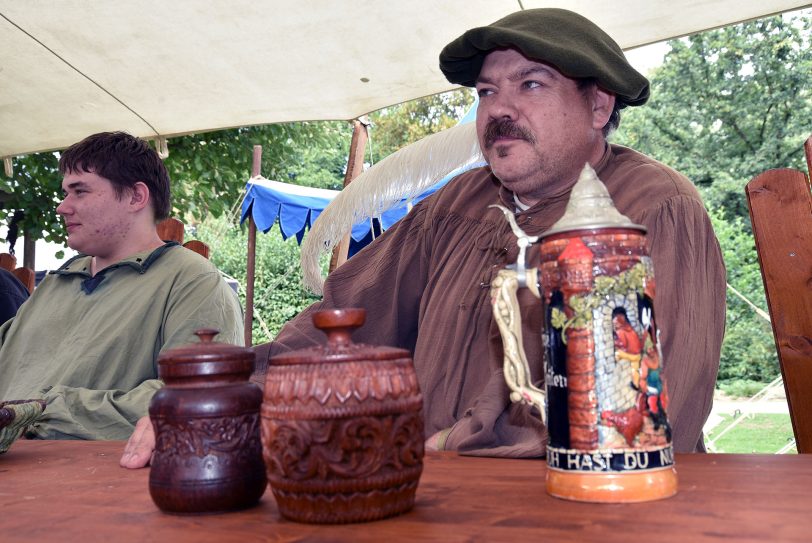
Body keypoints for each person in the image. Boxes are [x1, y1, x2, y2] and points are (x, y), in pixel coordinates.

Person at [122, 8, 725, 467]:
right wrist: (235, 395)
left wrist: (444, 448)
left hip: (592, 509)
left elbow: (641, 410)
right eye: (488, 92)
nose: (499, 110)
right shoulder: (456, 206)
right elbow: (343, 322)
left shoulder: (653, 210)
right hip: (433, 500)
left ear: (598, 106)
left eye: (531, 85)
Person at [0, 132, 243, 452]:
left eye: (80, 191)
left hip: (86, 483)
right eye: (65, 193)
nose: (62, 207)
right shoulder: (58, 283)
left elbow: (201, 396)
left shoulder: (192, 282)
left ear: (135, 197)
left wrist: (42, 412)